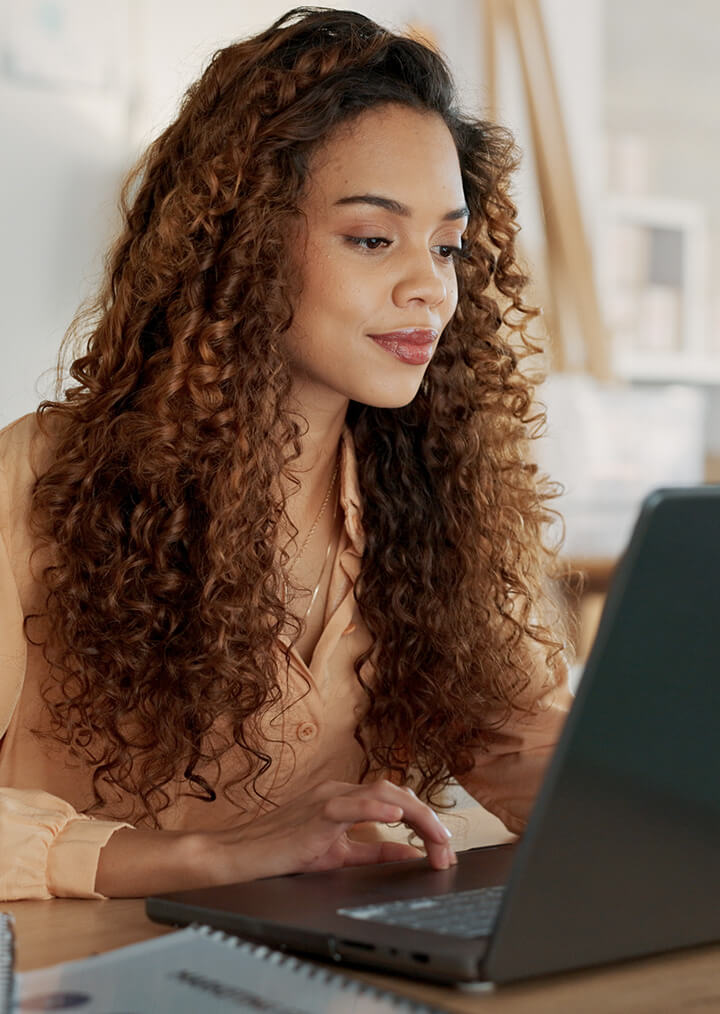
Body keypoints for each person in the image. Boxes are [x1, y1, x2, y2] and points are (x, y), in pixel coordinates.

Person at [0, 6, 572, 901]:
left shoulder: (436, 503)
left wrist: (663, 799)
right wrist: (213, 859)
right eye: (372, 239)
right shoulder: (38, 480)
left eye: (448, 246)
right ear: (246, 242)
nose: (430, 286)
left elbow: (537, 755)